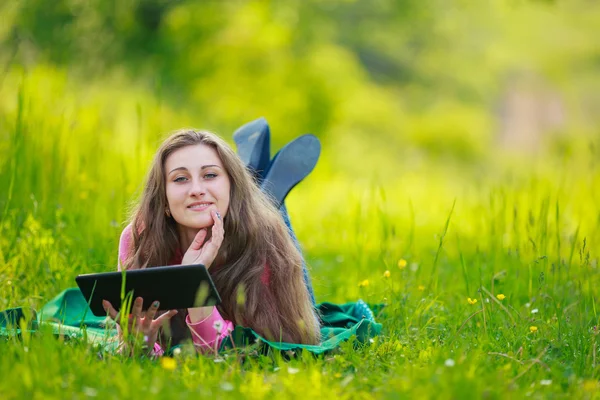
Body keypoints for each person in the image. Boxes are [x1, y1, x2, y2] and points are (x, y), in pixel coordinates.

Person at [102, 129, 321, 356]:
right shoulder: (140, 239)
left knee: (274, 220)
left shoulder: (264, 238)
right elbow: (139, 345)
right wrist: (142, 345)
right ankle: (253, 175)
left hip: (255, 230)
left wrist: (194, 285)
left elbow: (261, 349)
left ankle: (260, 184)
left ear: (232, 188)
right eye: (180, 179)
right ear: (164, 200)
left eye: (210, 175)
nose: (196, 190)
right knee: (261, 208)